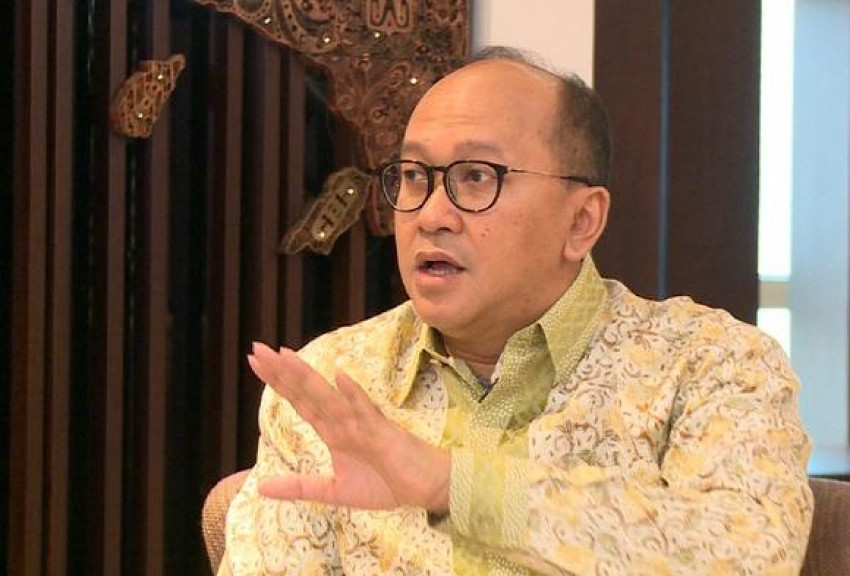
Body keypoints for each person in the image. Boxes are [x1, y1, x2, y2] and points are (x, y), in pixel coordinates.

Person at [219, 47, 813, 575]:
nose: (431, 215)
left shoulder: (709, 364)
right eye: (415, 176)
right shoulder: (331, 386)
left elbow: (747, 557)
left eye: (477, 177)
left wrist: (453, 486)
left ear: (581, 221)